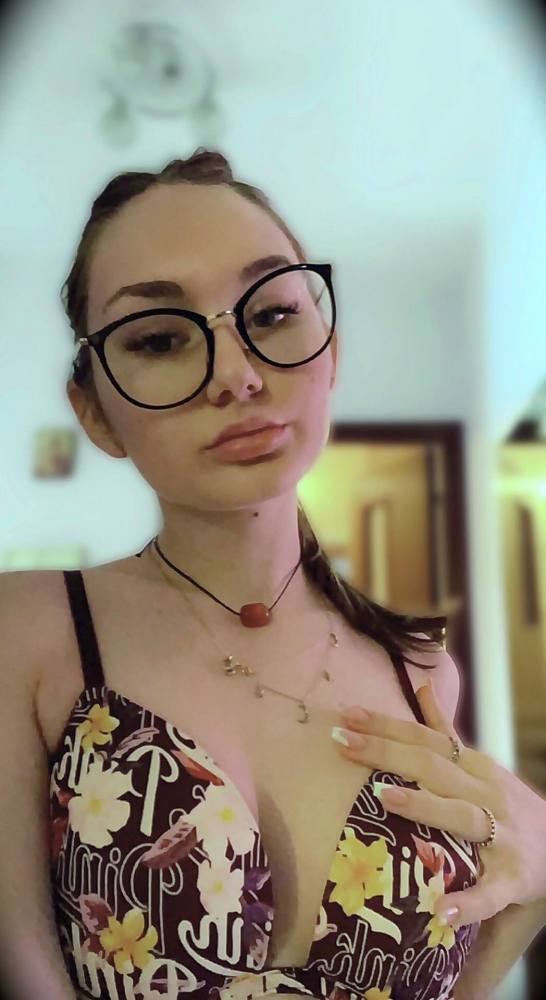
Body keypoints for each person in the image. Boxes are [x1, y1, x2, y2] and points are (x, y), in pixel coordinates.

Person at [0, 147, 543, 1000]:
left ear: (331, 352)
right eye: (160, 339)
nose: (236, 375)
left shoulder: (420, 674)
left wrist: (529, 899)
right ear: (95, 413)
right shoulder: (29, 632)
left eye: (274, 312)